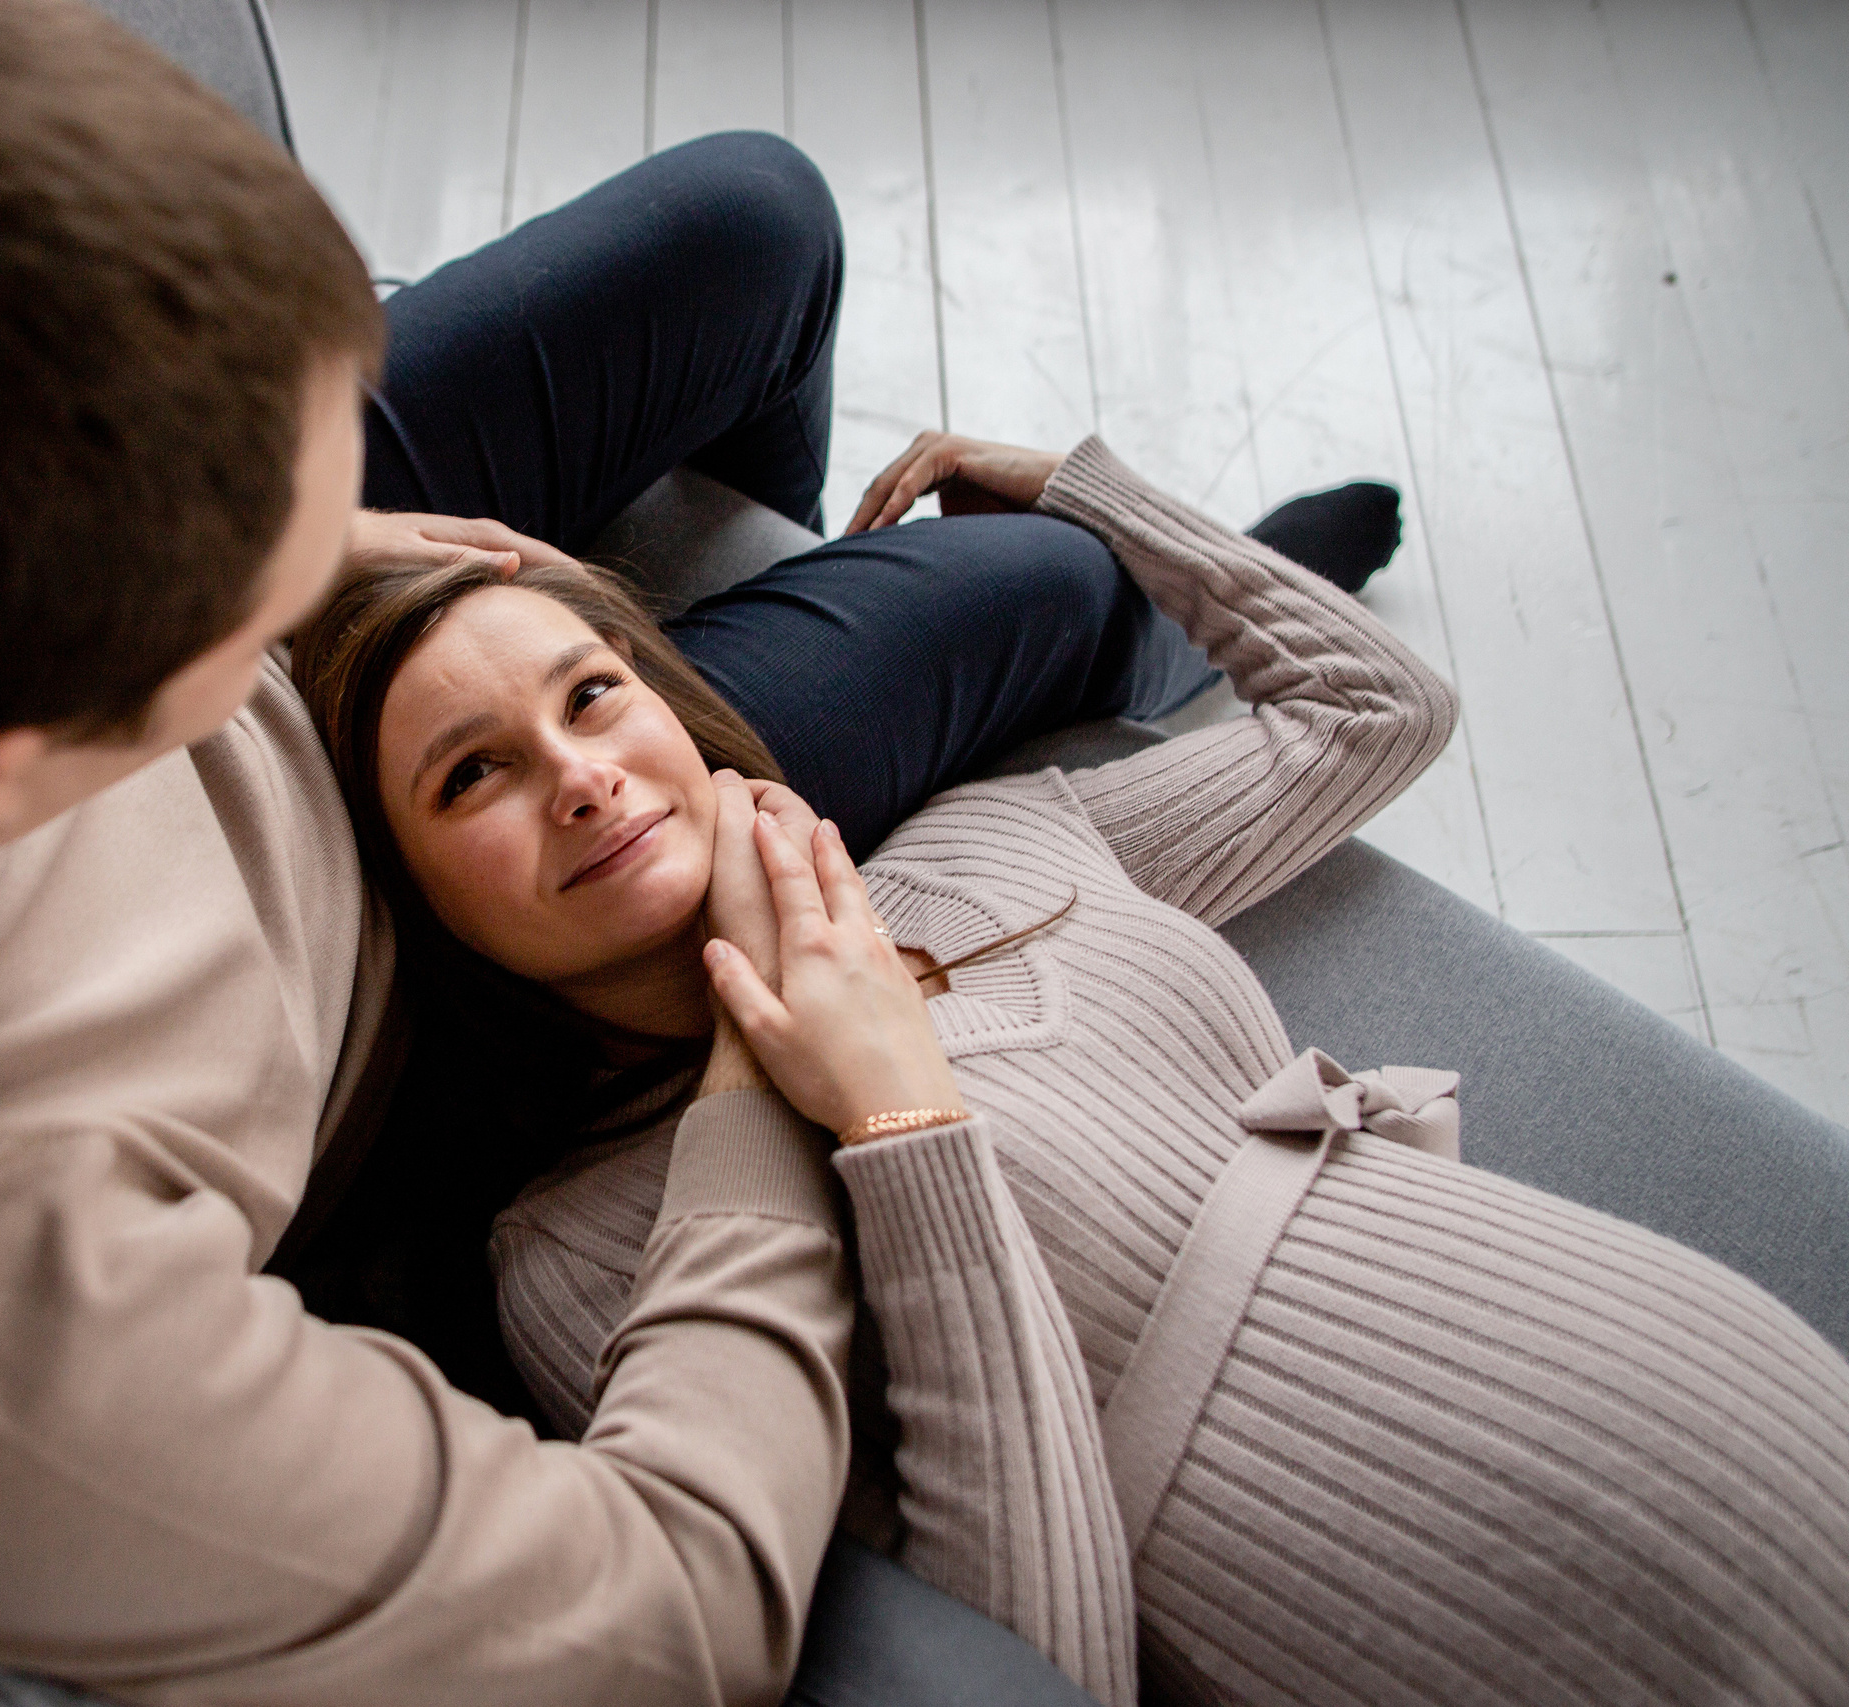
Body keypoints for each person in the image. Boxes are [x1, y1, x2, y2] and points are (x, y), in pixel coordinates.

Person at [0, 0, 1393, 1699]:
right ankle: (1134, 631)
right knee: (1021, 590)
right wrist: (761, 1067)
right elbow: (669, 1610)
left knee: (754, 228)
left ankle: (777, 580)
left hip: (50, 586)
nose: (460, 576)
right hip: (412, 964)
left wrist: (312, 539)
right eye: (257, 598)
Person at [288, 431, 1849, 1707]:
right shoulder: (581, 1257)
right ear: (417, 902)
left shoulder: (976, 843)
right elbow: (1021, 1675)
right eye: (472, 774)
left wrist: (1088, 492)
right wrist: (899, 1122)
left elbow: (1378, 712)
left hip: (1756, 1401)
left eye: (591, 694)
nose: (579, 777)